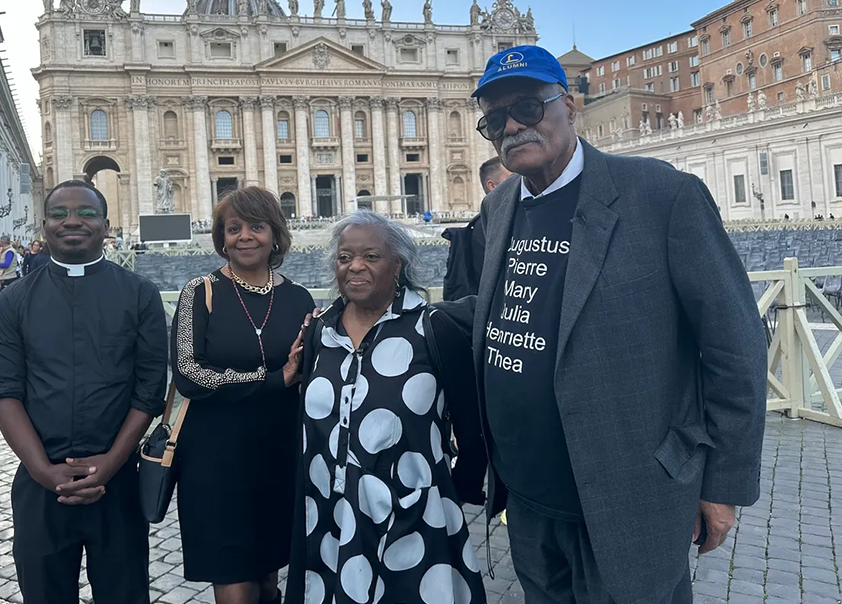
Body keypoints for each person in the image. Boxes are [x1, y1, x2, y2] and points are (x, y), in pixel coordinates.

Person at [438, 45, 767, 604]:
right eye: (495, 120)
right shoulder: (498, 210)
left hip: (630, 494)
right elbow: (509, 311)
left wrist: (723, 484)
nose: (512, 127)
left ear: (570, 105)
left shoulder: (662, 196)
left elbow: (737, 343)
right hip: (527, 499)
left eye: (527, 108)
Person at [0, 180, 168, 604]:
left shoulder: (140, 294)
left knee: (125, 593)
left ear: (105, 224)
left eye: (85, 213)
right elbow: (4, 392)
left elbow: (149, 391)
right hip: (39, 479)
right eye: (60, 213)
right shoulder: (13, 301)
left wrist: (111, 462)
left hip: (117, 480)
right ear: (45, 226)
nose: (72, 222)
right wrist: (44, 470)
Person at [284, 211, 486, 604]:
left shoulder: (434, 328)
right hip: (329, 516)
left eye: (371, 256)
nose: (355, 266)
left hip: (413, 515)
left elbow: (471, 421)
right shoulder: (320, 332)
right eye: (345, 257)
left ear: (399, 264)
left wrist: (448, 493)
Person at [172, 186, 315, 604]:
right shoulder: (197, 293)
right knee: (235, 584)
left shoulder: (298, 298)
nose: (245, 236)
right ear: (222, 238)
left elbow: (307, 373)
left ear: (275, 234)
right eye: (234, 229)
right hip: (215, 464)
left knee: (269, 581)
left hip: (278, 456)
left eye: (256, 226)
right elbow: (189, 375)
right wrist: (273, 379)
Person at [441, 156, 513, 301]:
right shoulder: (491, 224)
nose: (522, 181)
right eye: (513, 177)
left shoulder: (486, 222)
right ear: (493, 186)